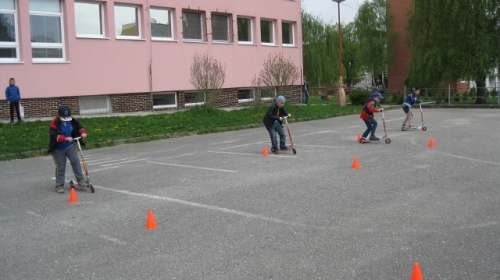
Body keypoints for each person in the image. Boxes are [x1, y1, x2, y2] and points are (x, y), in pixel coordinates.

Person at [48, 106, 88, 193]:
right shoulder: (54, 124)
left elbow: (79, 127)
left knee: (76, 161)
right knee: (61, 166)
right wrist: (65, 138)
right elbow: (55, 137)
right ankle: (59, 185)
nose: (65, 120)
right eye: (63, 118)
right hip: (58, 149)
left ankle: (80, 180)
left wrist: (83, 132)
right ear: (58, 115)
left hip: (69, 146)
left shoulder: (73, 121)